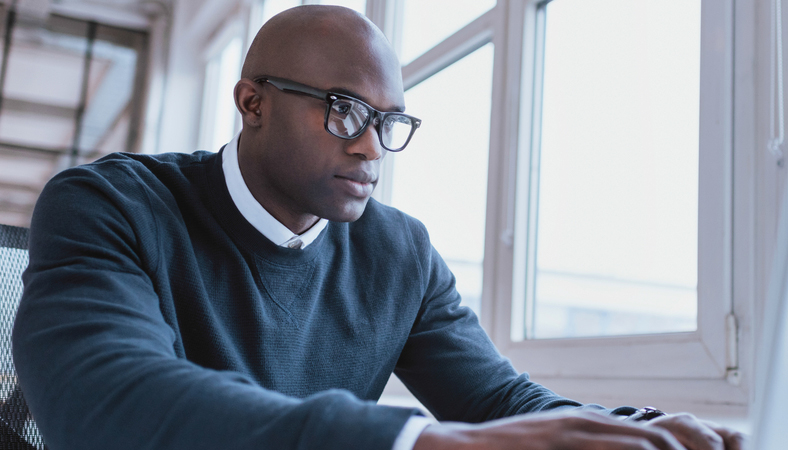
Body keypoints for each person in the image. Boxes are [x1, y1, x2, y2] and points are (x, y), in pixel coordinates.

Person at [12, 5, 745, 450]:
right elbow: (106, 403)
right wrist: (415, 441)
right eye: (343, 110)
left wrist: (638, 429)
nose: (369, 146)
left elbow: (497, 401)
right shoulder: (110, 204)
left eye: (388, 122)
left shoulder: (401, 254)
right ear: (252, 103)